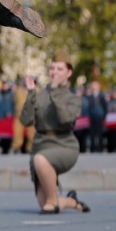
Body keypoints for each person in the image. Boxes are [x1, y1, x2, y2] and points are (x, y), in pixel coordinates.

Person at [19, 51, 89, 214]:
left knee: (41, 161)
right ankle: (71, 201)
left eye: (59, 69)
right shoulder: (42, 94)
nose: (54, 72)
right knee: (43, 205)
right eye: (52, 68)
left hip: (64, 145)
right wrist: (31, 94)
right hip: (41, 144)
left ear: (69, 73)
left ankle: (53, 200)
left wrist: (56, 92)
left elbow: (65, 120)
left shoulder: (73, 98)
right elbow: (26, 121)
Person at [85, 80, 108, 153]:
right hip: (92, 118)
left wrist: (104, 117)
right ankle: (92, 148)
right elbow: (88, 108)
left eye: (95, 85)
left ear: (98, 86)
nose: (93, 86)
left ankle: (100, 148)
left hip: (100, 117)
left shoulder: (102, 96)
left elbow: (105, 107)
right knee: (92, 134)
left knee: (100, 133)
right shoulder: (90, 97)